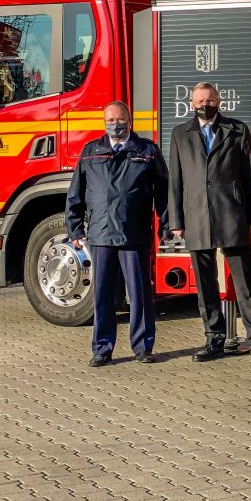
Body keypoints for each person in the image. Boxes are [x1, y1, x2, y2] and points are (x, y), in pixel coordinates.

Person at [169, 82, 251, 363]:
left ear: (219, 102)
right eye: (200, 101)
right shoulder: (180, 135)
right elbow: (175, 182)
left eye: (210, 100)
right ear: (192, 104)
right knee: (205, 284)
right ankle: (213, 338)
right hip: (196, 217)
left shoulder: (237, 130)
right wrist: (177, 219)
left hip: (231, 214)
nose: (205, 104)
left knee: (245, 282)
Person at [66, 101, 168, 367]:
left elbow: (164, 193)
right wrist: (74, 227)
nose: (115, 124)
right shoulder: (91, 152)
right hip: (100, 235)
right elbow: (75, 194)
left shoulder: (147, 151)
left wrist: (167, 225)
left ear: (130, 120)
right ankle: (102, 348)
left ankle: (143, 346)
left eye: (120, 119)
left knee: (140, 295)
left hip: (134, 234)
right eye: (110, 120)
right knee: (102, 296)